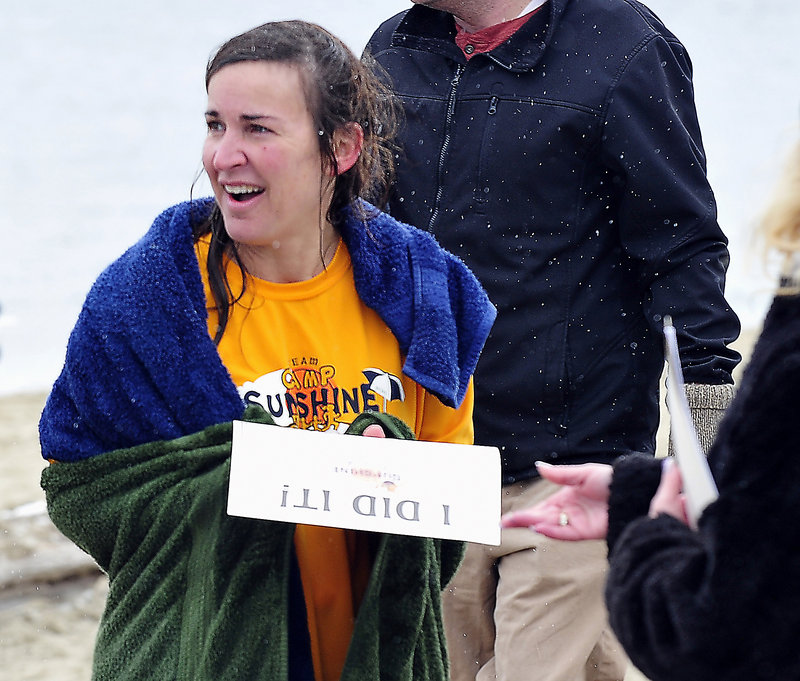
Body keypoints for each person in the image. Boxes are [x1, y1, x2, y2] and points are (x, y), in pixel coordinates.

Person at [38, 21, 495, 681]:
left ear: (340, 147)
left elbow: (447, 508)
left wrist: (378, 473)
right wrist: (225, 485)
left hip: (373, 658)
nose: (224, 155)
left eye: (257, 127)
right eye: (215, 124)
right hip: (204, 658)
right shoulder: (146, 299)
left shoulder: (420, 291)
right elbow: (81, 485)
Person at [365, 2, 742, 680]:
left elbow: (683, 250)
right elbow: (359, 247)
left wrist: (707, 449)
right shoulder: (393, 48)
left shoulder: (626, 47)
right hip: (429, 464)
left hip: (574, 474)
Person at [503, 139, 800, 681]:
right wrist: (646, 492)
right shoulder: (401, 52)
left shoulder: (630, 58)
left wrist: (652, 543)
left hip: (572, 444)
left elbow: (712, 631)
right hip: (458, 462)